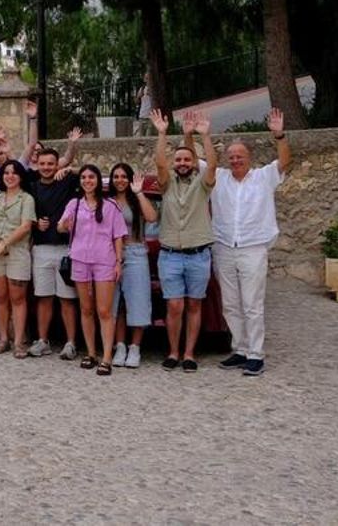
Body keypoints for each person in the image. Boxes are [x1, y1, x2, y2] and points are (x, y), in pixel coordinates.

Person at [210, 108, 293, 378]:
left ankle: (256, 354)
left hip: (253, 247)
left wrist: (279, 135)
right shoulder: (219, 178)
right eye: (232, 157)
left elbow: (284, 162)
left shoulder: (263, 177)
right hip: (224, 246)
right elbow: (200, 163)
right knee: (230, 304)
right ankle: (240, 349)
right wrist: (196, 136)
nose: (235, 160)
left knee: (252, 303)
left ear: (249, 158)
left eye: (240, 156)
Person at [150, 108, 217, 372]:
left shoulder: (203, 185)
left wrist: (205, 136)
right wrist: (162, 133)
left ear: (193, 163)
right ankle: (173, 352)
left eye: (186, 160)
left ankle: (189, 354)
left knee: (194, 305)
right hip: (170, 256)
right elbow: (159, 163)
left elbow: (211, 164)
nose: (182, 163)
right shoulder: (166, 185)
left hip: (199, 255)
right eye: (178, 159)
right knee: (175, 305)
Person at [60, 164, 128, 375]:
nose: (87, 180)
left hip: (104, 261)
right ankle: (91, 352)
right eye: (84, 177)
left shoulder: (110, 205)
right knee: (86, 309)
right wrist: (64, 225)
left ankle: (107, 356)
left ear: (98, 180)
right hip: (80, 260)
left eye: (91, 177)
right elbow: (61, 226)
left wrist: (118, 262)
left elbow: (118, 235)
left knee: (104, 310)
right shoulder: (74, 204)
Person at [28, 135, 81, 359]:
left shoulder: (66, 182)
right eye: (43, 164)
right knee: (44, 297)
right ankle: (43, 340)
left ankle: (70, 343)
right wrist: (35, 222)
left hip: (64, 250)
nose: (47, 167)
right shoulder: (31, 186)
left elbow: (91, 175)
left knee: (67, 299)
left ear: (57, 163)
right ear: (37, 164)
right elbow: (25, 214)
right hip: (40, 249)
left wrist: (69, 170)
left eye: (51, 163)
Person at [107, 164, 158, 369]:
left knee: (137, 301)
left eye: (123, 176)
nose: (119, 180)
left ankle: (135, 347)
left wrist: (139, 193)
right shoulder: (107, 201)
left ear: (129, 179)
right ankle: (120, 346)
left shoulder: (136, 200)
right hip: (110, 255)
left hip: (135, 252)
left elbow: (152, 217)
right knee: (116, 303)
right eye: (116, 176)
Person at [0, 160, 35, 356]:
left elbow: (25, 226)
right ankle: (3, 337)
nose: (9, 176)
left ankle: (19, 341)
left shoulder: (26, 199)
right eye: (6, 173)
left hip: (17, 252)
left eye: (14, 173)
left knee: (18, 298)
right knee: (0, 297)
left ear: (20, 176)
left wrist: (4, 244)